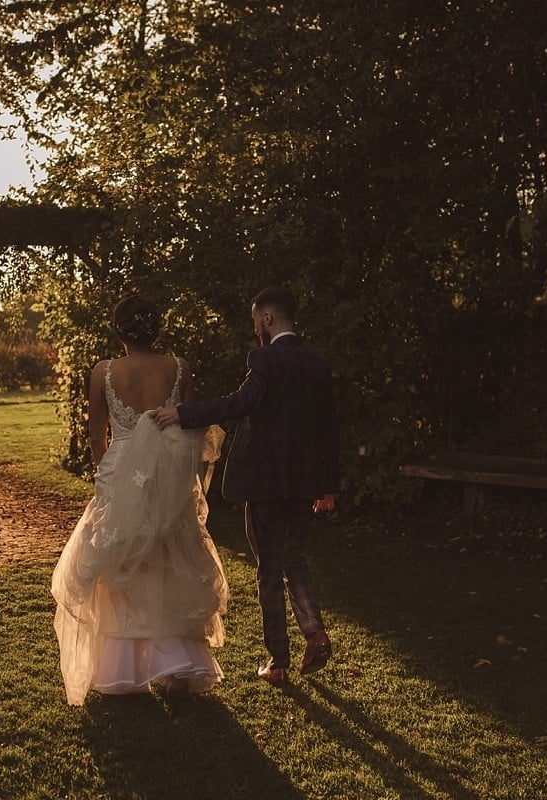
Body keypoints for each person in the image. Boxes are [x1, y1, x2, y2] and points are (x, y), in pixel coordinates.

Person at [151, 286, 339, 687]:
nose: (255, 328)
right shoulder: (317, 364)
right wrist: (327, 486)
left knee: (269, 570)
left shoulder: (265, 359)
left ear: (268, 319)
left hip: (266, 483)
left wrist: (182, 414)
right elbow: (327, 430)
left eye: (256, 320)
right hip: (304, 483)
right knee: (294, 558)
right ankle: (315, 633)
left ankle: (278, 662)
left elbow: (240, 403)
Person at [52, 295, 229, 705]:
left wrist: (109, 476)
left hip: (121, 473)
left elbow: (98, 438)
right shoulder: (179, 367)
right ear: (158, 328)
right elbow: (190, 429)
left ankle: (124, 669)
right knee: (169, 558)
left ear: (119, 331)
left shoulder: (102, 373)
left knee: (122, 564)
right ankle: (177, 665)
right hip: (169, 477)